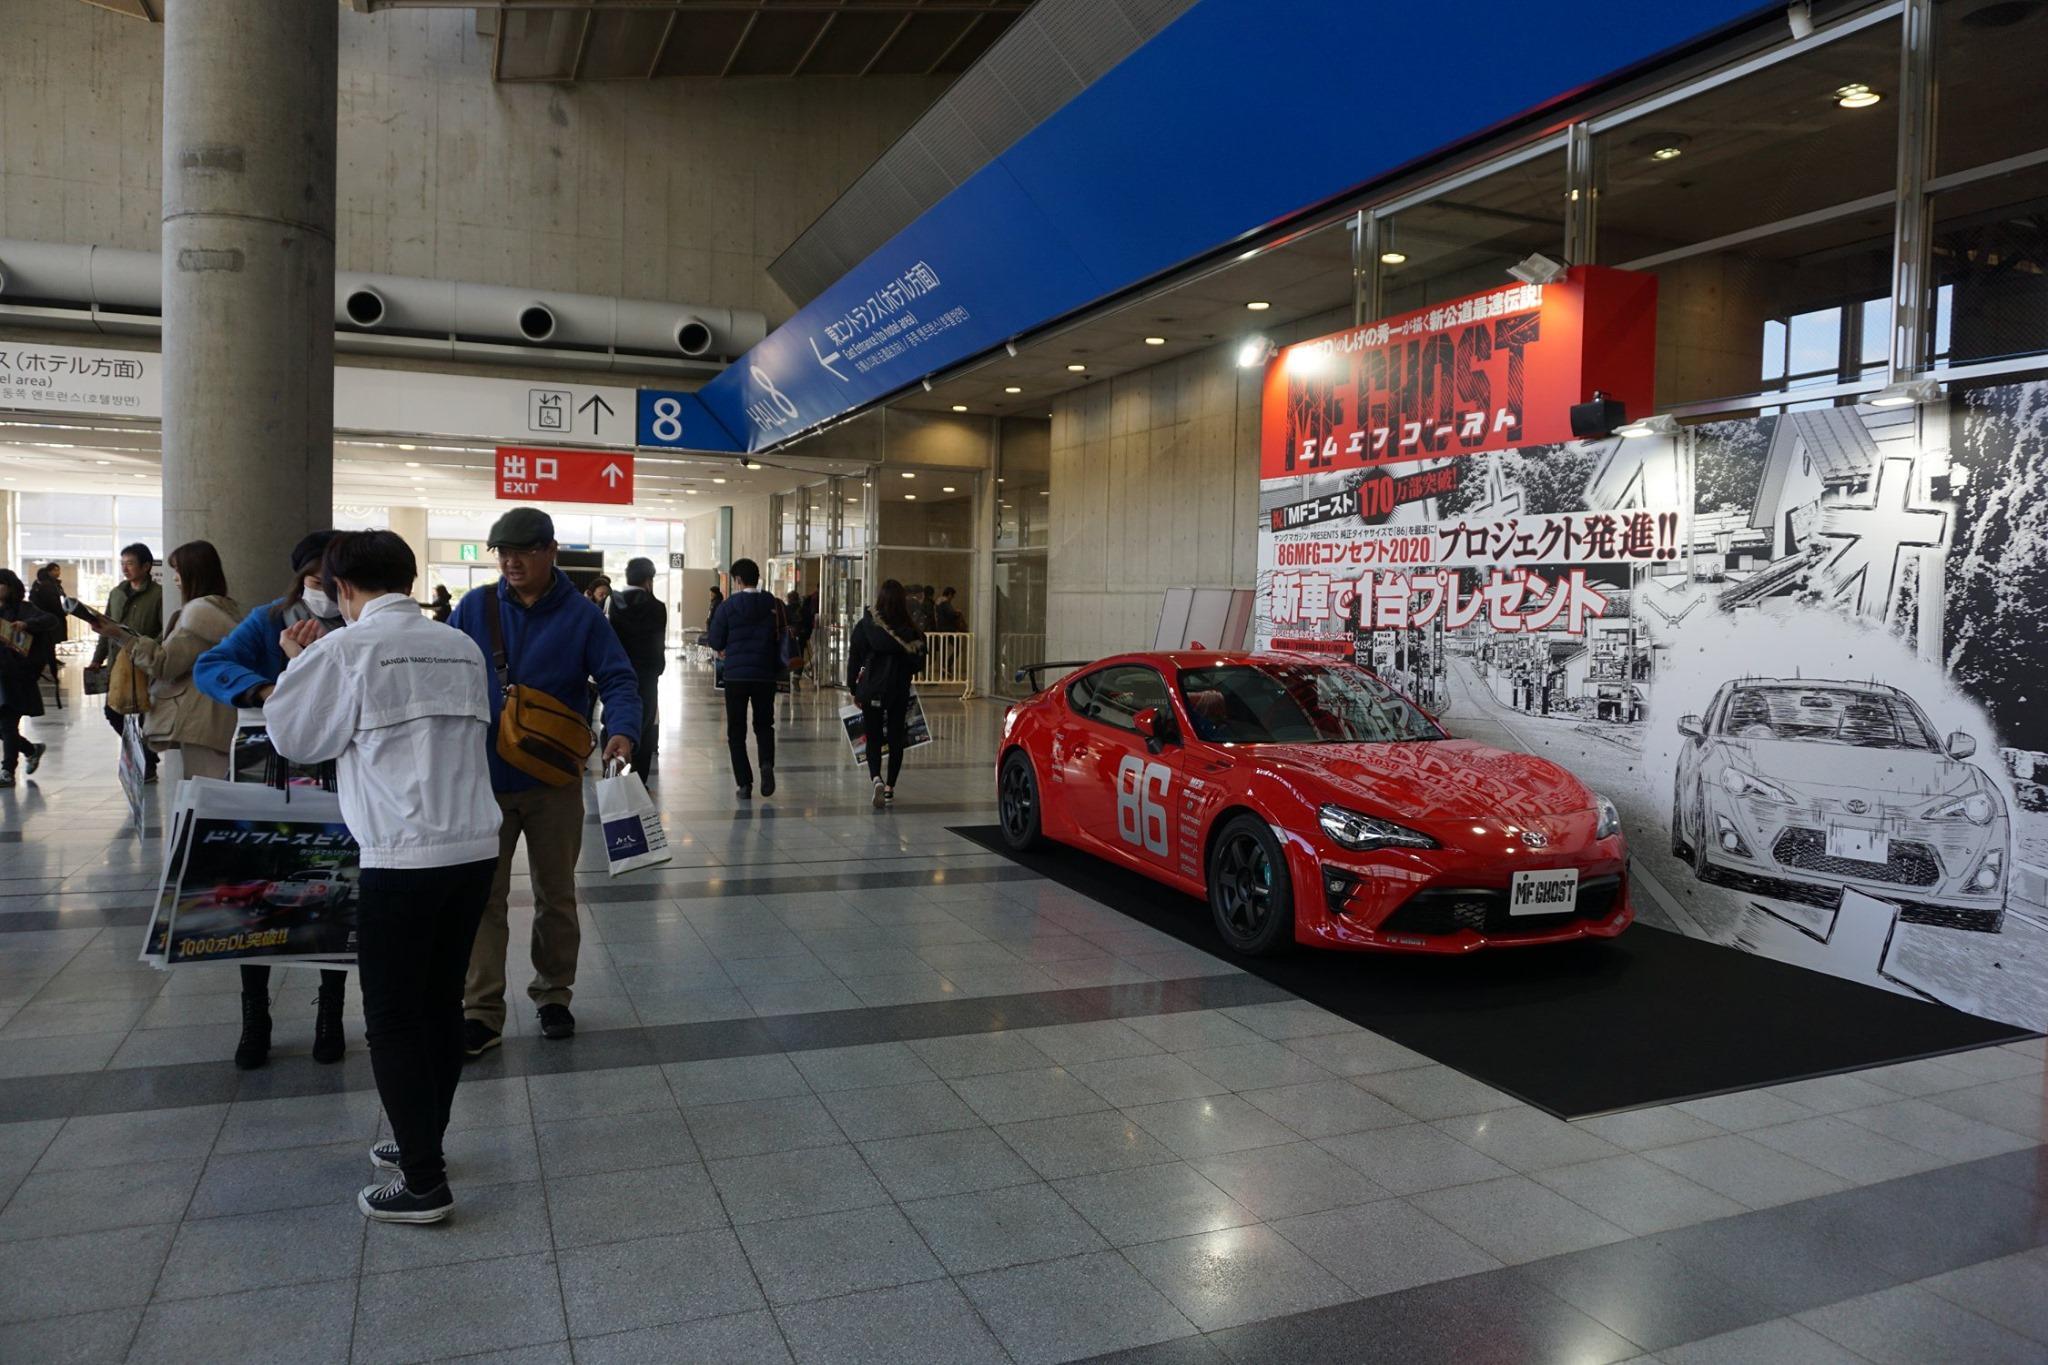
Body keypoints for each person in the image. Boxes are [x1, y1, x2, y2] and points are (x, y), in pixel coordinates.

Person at [263, 531, 501, 1226]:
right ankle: (421, 1139)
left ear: (340, 587)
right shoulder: (459, 644)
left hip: (401, 855)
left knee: (394, 1016)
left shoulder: (346, 649)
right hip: (472, 848)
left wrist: (299, 660)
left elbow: (296, 738)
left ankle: (424, 1181)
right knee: (440, 1007)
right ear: (408, 575)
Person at [449, 507, 639, 1057]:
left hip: (553, 782)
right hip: (483, 778)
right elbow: (444, 676)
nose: (510, 561)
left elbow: (618, 678)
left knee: (556, 894)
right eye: (502, 552)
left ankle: (553, 993)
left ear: (550, 550)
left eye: (523, 551)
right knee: (485, 898)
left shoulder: (582, 616)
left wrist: (621, 731)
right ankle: (481, 1011)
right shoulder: (475, 607)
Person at [194, 530, 352, 1069]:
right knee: (260, 891)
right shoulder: (266, 619)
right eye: (313, 581)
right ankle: (254, 1016)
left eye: (331, 582)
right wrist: (268, 689)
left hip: (339, 775)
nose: (323, 592)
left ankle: (330, 1013)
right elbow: (211, 666)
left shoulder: (359, 622)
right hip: (266, 774)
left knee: (333, 885)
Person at [93, 541, 243, 802]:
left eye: (179, 571)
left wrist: (121, 636)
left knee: (205, 796)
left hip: (202, 716)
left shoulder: (198, 614)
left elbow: (165, 664)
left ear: (195, 573)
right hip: (213, 711)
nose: (175, 578)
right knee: (210, 791)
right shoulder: (223, 607)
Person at [705, 557, 783, 801]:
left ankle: (744, 784)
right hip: (765, 674)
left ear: (737, 580)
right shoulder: (773, 603)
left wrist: (724, 647)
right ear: (757, 578)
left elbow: (715, 641)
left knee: (736, 730)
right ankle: (766, 764)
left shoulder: (727, 607)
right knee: (764, 725)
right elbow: (781, 635)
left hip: (736, 675)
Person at [847, 580, 926, 809]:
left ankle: (876, 780)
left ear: (880, 599)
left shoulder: (867, 626)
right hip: (898, 690)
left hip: (872, 689)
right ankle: (890, 787)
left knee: (872, 737)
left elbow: (855, 658)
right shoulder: (910, 630)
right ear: (903, 602)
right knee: (895, 738)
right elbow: (918, 662)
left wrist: (854, 687)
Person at [92, 544, 163, 782]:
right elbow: (105, 629)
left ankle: (147, 764)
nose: (125, 568)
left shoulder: (159, 595)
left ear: (146, 566)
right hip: (117, 663)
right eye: (123, 563)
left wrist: (149, 648)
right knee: (113, 712)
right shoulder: (116, 593)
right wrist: (97, 659)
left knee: (143, 715)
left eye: (130, 563)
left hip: (143, 664)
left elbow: (165, 631)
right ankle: (147, 758)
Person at [606, 557, 667, 778]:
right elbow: (658, 644)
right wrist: (657, 671)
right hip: (647, 675)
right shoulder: (657, 607)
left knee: (613, 718)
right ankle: (639, 779)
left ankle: (612, 771)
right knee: (646, 724)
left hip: (617, 674)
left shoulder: (613, 602)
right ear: (648, 579)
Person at [0, 571, 58, 788]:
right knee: (4, 726)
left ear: (10, 586)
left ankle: (7, 771)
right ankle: (31, 750)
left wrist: (26, 625)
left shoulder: (24, 609)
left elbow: (49, 619)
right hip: (1, 675)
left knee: (7, 723)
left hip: (16, 676)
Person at [28, 565, 65, 698]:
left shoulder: (42, 586)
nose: (58, 572)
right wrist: (63, 612)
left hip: (44, 622)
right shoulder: (48, 587)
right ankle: (50, 667)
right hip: (50, 622)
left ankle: (49, 664)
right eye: (55, 570)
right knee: (48, 646)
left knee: (48, 646)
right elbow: (55, 604)